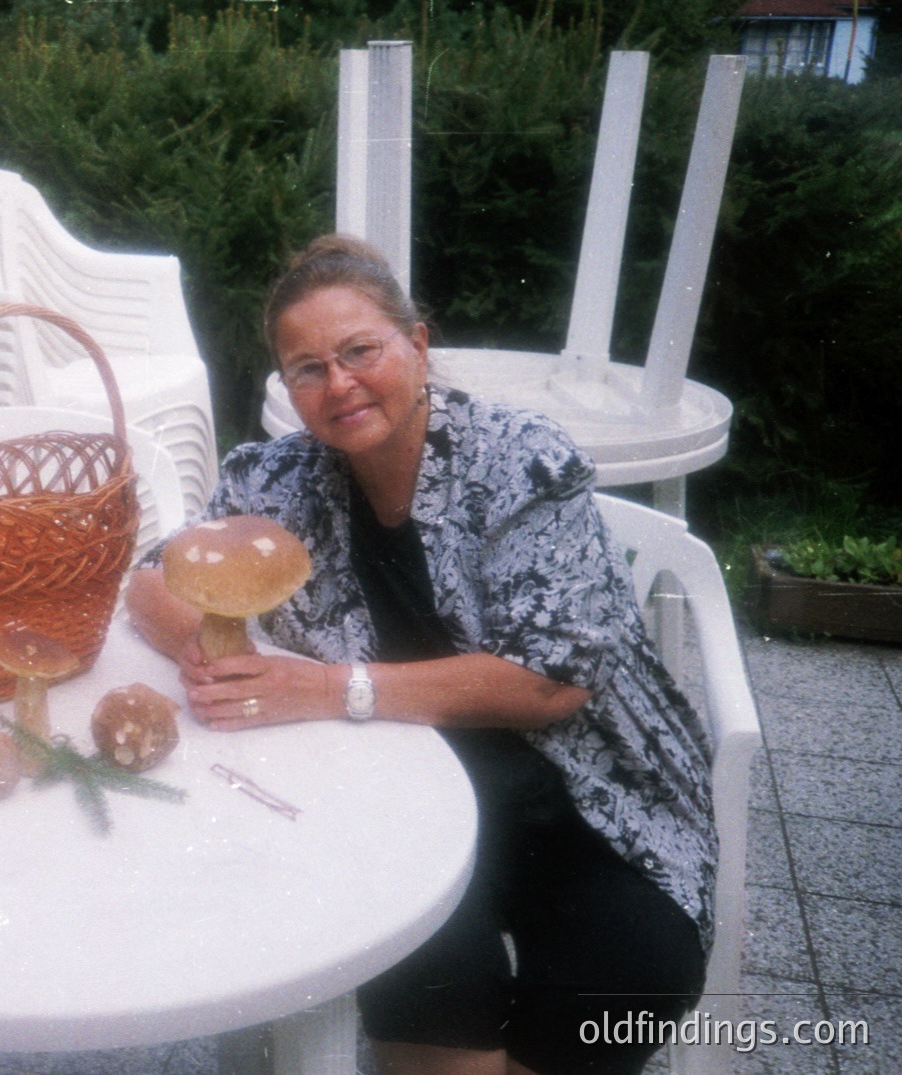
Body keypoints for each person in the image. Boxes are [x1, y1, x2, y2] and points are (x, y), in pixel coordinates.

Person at [125, 235, 716, 1075]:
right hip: (398, 809)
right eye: (306, 368)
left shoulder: (520, 461)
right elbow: (151, 581)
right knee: (426, 976)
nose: (338, 384)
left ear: (418, 344)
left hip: (590, 796)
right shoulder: (272, 479)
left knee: (632, 973)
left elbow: (552, 685)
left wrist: (323, 687)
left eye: (360, 350)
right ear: (286, 387)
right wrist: (215, 653)